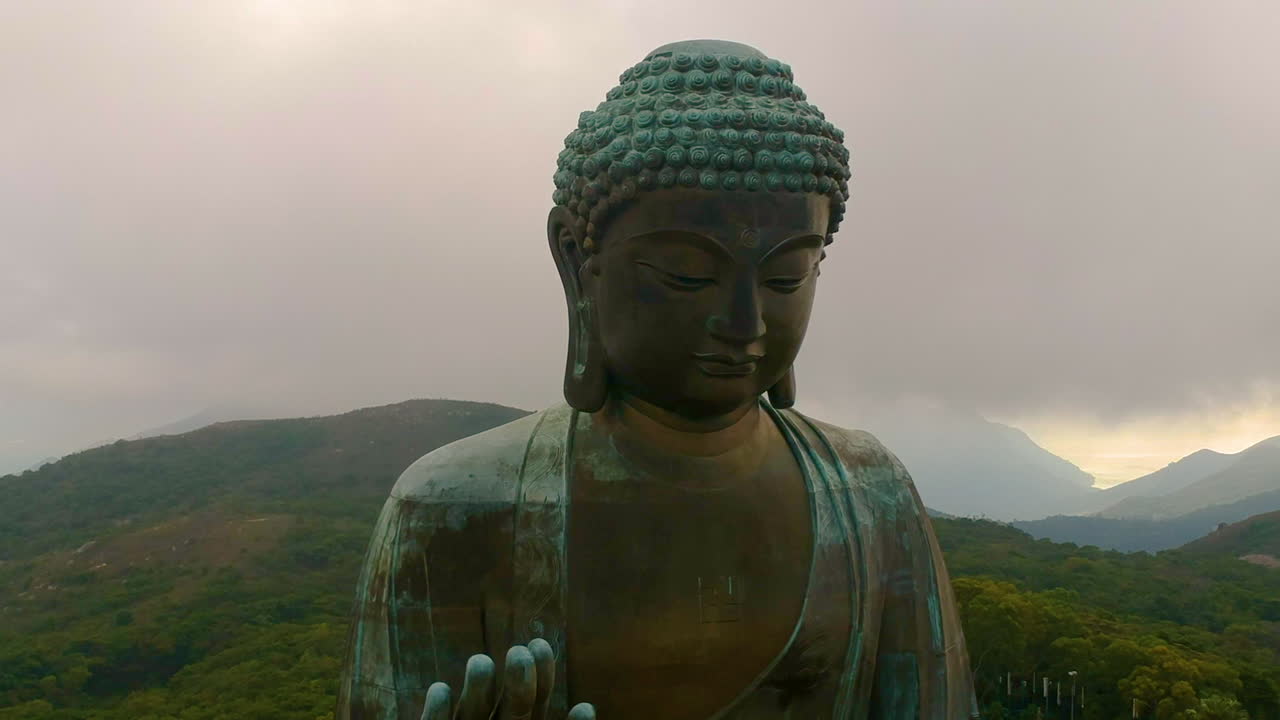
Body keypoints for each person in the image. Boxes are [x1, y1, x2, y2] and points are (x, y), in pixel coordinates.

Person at [338, 39, 978, 720]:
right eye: (687, 276)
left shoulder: (873, 495)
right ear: (576, 258)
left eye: (786, 277)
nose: (745, 323)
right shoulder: (450, 507)